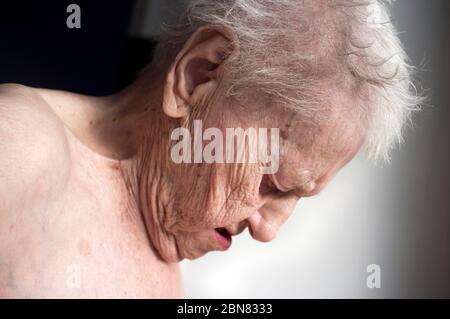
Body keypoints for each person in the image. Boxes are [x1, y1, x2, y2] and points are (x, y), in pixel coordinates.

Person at [0, 0, 420, 298]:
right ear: (197, 76)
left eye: (296, 199)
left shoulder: (162, 239)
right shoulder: (20, 145)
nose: (267, 231)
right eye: (271, 181)